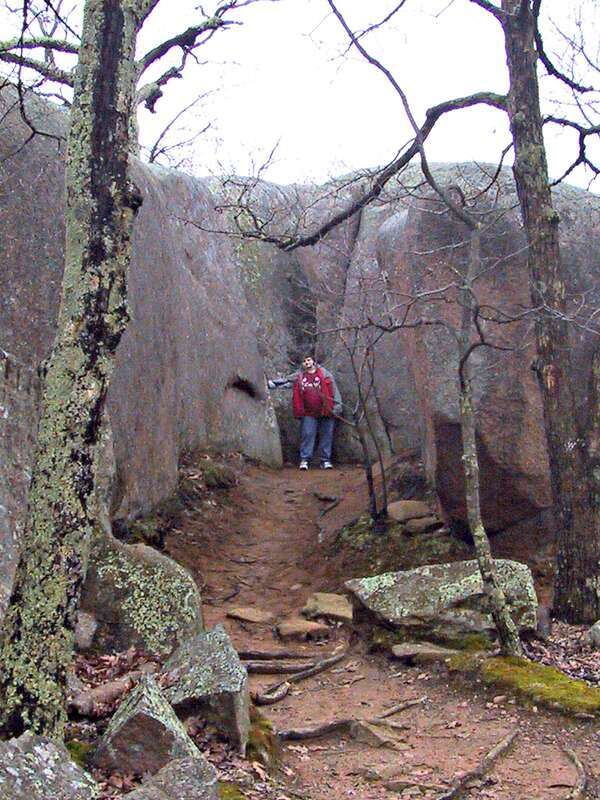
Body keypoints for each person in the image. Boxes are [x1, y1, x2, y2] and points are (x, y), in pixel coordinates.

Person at [268, 356, 342, 470]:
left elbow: (334, 388)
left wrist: (338, 406)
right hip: (308, 413)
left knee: (326, 435)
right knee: (307, 435)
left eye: (308, 360)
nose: (307, 362)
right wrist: (273, 384)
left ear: (313, 361)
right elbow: (287, 381)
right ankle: (305, 460)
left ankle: (325, 460)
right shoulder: (300, 376)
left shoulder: (325, 374)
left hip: (327, 410)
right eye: (304, 361)